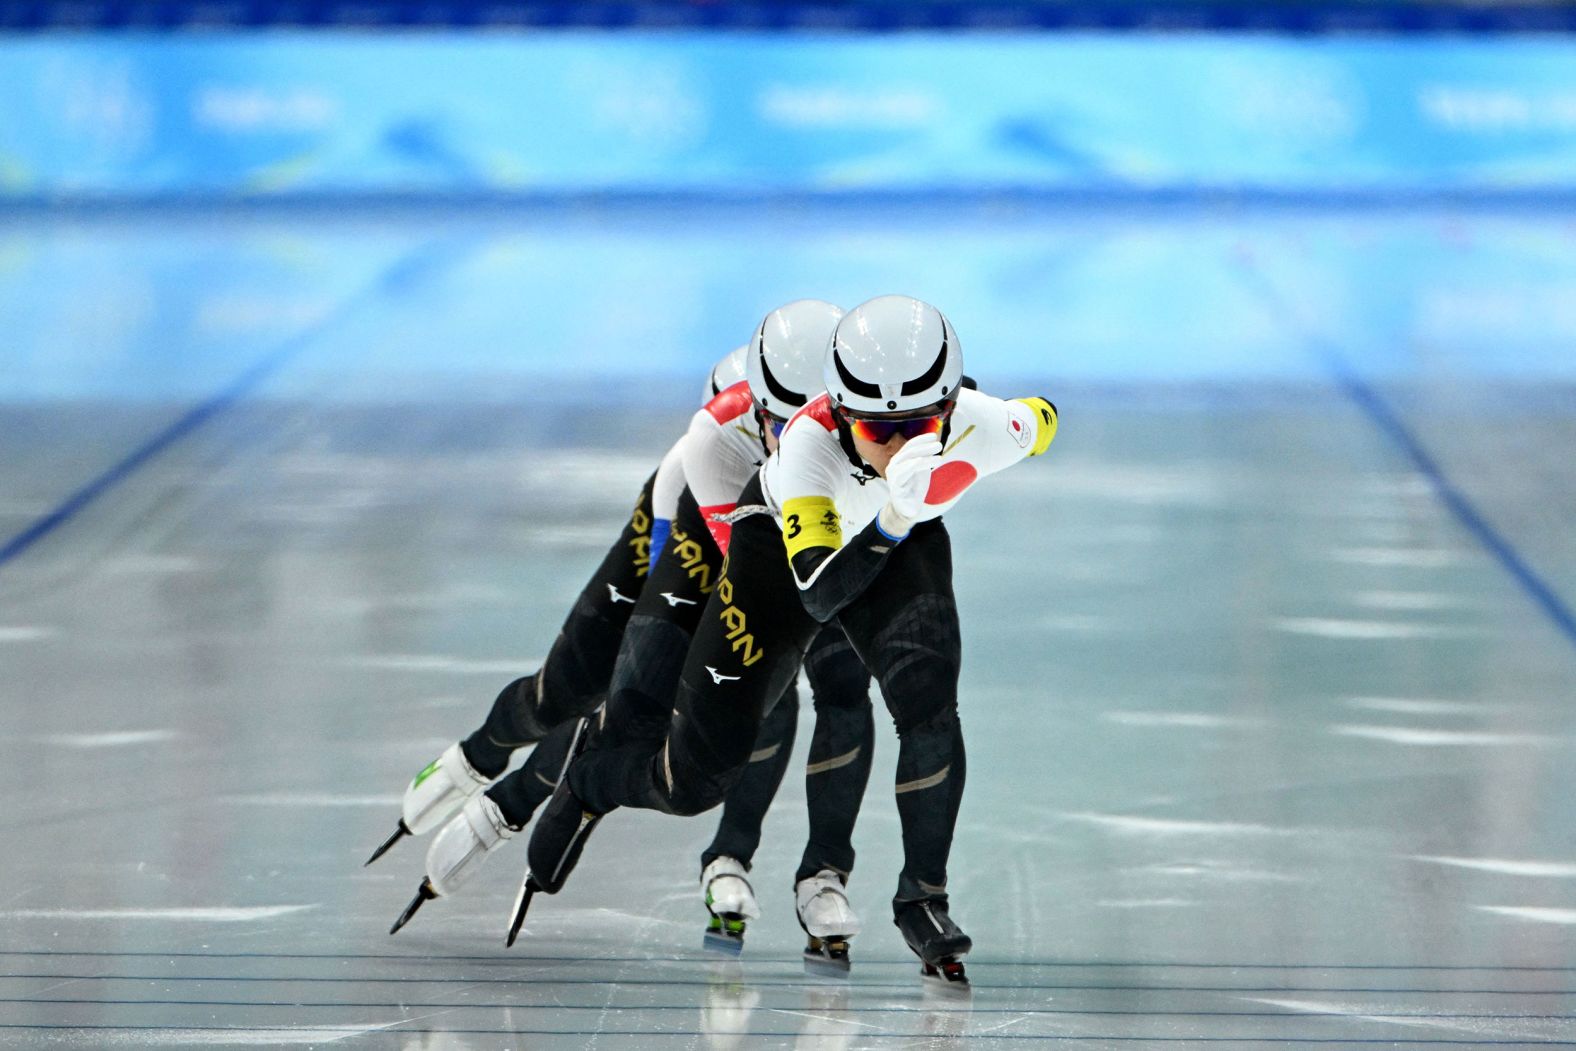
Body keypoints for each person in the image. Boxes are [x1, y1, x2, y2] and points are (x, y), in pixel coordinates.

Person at [517, 295, 1058, 986]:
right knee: (694, 783)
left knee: (929, 703)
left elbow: (1039, 420)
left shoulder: (980, 425)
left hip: (898, 534)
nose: (894, 446)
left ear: (950, 407)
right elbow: (822, 597)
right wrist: (895, 512)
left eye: (915, 424)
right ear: (837, 410)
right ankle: (594, 774)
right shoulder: (808, 448)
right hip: (783, 558)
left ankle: (923, 897)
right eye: (872, 430)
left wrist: (1026, 425)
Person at [389, 302, 880, 969]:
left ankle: (741, 856)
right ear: (752, 412)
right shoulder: (705, 447)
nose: (787, 441)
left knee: (786, 688)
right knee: (574, 691)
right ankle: (480, 763)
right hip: (688, 536)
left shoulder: (853, 447)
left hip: (780, 537)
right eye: (772, 425)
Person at [365, 346, 748, 868]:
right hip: (669, 559)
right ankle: (480, 753)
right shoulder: (687, 465)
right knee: (566, 695)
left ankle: (520, 797)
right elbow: (663, 577)